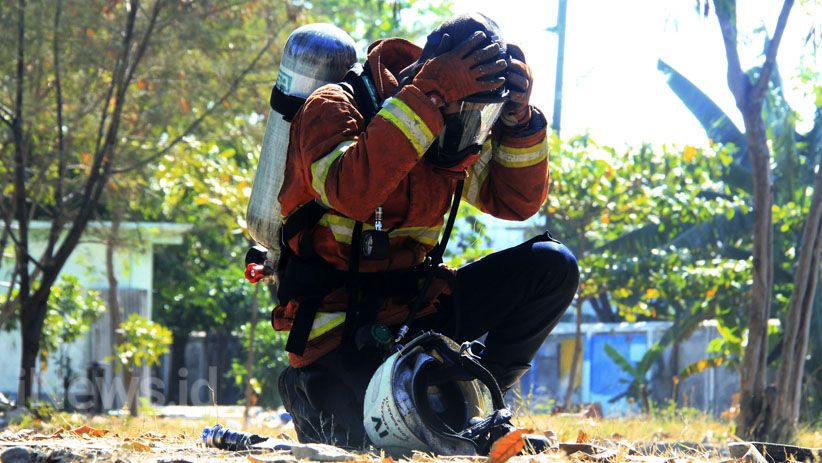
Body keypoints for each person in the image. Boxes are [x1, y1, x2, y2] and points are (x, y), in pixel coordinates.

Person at [273, 12, 579, 448]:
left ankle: (485, 402)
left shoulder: (455, 136)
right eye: (466, 112)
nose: (471, 128)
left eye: (483, 115)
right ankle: (312, 397)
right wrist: (430, 98)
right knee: (375, 443)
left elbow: (515, 201)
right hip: (337, 332)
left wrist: (519, 120)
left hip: (415, 312)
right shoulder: (333, 107)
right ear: (430, 80)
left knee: (552, 267)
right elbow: (352, 189)